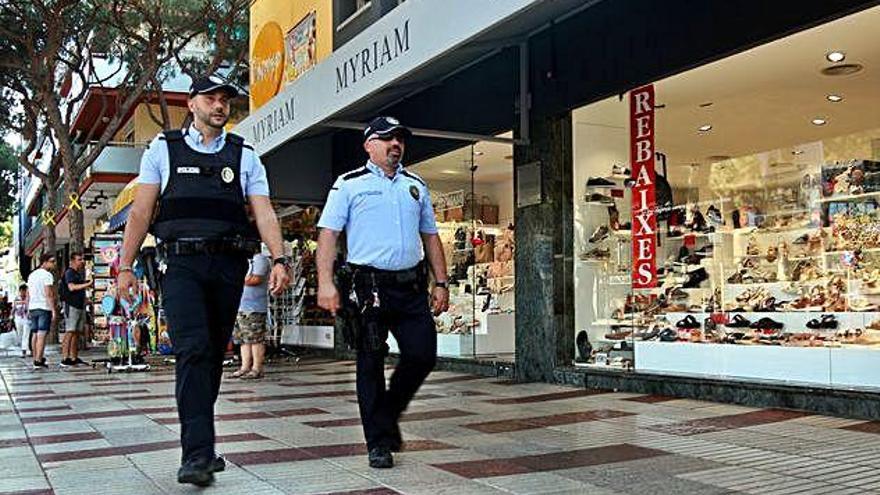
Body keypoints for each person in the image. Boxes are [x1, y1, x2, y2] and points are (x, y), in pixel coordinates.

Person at [117, 75, 291, 487]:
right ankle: (195, 454)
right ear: (191, 104)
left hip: (227, 267)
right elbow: (142, 213)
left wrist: (280, 258)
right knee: (193, 350)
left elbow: (263, 212)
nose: (219, 105)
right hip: (180, 267)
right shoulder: (163, 149)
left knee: (212, 355)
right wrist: (124, 266)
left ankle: (203, 446)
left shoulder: (244, 155)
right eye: (211, 98)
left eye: (225, 99)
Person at [316, 116, 450, 469]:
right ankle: (378, 442)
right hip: (367, 288)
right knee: (370, 363)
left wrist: (442, 281)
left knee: (423, 355)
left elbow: (431, 236)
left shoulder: (416, 185)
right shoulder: (348, 185)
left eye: (400, 140)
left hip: (410, 287)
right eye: (387, 139)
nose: (396, 145)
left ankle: (387, 413)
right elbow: (328, 236)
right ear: (368, 145)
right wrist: (325, 283)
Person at [230, 250, 271, 380]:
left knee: (255, 338)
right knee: (243, 339)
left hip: (254, 307)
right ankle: (245, 367)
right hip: (240, 305)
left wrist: (234, 279)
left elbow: (255, 279)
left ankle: (257, 368)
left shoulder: (260, 259)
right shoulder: (243, 260)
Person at [60, 252, 92, 367]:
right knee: (70, 331)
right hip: (71, 305)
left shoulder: (77, 274)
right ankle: (65, 358)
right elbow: (71, 287)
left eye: (82, 259)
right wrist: (87, 284)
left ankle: (73, 357)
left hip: (79, 305)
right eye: (79, 259)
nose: (82, 261)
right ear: (72, 261)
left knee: (76, 332)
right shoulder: (69, 273)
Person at [27, 254, 57, 369]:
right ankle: (39, 359)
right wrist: (53, 309)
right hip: (44, 307)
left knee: (35, 333)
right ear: (44, 262)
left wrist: (28, 307)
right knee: (42, 334)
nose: (53, 264)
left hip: (33, 307)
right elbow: (49, 293)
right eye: (52, 261)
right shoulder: (47, 275)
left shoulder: (32, 275)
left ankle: (35, 358)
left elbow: (29, 293)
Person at [13, 284, 30, 358]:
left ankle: (24, 351)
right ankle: (23, 349)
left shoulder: (29, 298)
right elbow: (14, 307)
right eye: (21, 291)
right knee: (20, 335)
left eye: (25, 291)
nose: (23, 293)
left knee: (26, 335)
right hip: (18, 318)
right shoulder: (17, 298)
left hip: (27, 319)